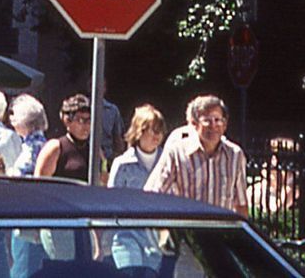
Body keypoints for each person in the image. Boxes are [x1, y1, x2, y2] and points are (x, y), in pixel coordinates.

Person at [144, 94, 246, 212]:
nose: (213, 126)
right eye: (207, 120)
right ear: (194, 124)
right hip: (188, 223)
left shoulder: (235, 155)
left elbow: (241, 204)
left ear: (225, 125)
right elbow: (152, 195)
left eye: (217, 120)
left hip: (221, 224)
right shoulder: (177, 153)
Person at [108, 105, 170, 271]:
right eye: (152, 130)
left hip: (157, 239)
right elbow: (111, 202)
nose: (157, 135)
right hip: (126, 236)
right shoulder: (122, 164)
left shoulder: (168, 162)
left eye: (160, 130)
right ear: (139, 131)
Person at [35, 95, 95, 183]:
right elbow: (40, 183)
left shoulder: (94, 150)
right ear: (67, 121)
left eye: (89, 121)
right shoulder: (55, 148)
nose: (86, 126)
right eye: (81, 121)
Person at [7, 94, 49, 176]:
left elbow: (20, 175)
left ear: (24, 121)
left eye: (14, 115)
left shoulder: (32, 147)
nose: (12, 120)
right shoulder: (43, 143)